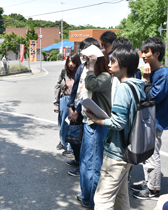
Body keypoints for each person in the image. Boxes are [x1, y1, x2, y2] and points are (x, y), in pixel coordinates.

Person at [85, 45, 145, 209]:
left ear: (124, 64)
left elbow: (118, 123)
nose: (109, 64)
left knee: (102, 200)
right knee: (121, 196)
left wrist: (97, 119)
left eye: (113, 61)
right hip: (130, 150)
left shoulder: (123, 88)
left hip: (117, 154)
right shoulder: (138, 85)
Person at [69, 39, 112, 208]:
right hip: (90, 122)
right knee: (86, 162)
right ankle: (86, 194)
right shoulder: (99, 75)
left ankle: (90, 199)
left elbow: (90, 84)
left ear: (98, 62)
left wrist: (91, 66)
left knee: (93, 163)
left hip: (98, 125)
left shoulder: (105, 77)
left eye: (90, 60)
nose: (87, 63)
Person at [131, 37, 168, 200]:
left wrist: (146, 81)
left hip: (156, 121)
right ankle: (149, 182)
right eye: (142, 51)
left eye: (146, 52)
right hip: (148, 119)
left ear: (157, 53)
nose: (143, 55)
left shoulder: (163, 73)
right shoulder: (155, 72)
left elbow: (153, 97)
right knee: (146, 153)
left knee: (152, 154)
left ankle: (154, 190)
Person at [66, 38, 101, 170]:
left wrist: (77, 110)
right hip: (75, 106)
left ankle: (83, 167)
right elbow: (76, 87)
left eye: (84, 50)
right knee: (74, 137)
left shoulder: (95, 69)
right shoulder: (82, 66)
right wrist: (70, 107)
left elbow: (87, 92)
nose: (82, 53)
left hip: (86, 108)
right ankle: (78, 160)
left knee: (83, 140)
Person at [53, 53, 82, 156]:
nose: (70, 64)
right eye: (69, 61)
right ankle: (63, 141)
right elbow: (57, 86)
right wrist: (56, 104)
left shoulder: (81, 72)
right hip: (64, 99)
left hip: (76, 100)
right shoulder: (64, 72)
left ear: (77, 62)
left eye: (73, 62)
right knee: (62, 122)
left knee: (72, 123)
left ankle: (70, 147)